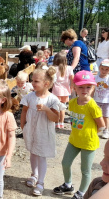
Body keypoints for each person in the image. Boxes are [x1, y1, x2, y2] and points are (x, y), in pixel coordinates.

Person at [53, 70, 105, 199]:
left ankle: (81, 193)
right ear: (74, 87)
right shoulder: (72, 103)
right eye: (81, 87)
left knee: (85, 170)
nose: (85, 90)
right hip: (74, 140)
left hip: (88, 143)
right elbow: (73, 121)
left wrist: (90, 134)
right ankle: (68, 184)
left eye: (88, 87)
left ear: (93, 88)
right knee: (65, 163)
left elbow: (102, 125)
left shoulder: (92, 106)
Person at [20, 66, 61, 196]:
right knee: (33, 152)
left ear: (46, 84)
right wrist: (23, 126)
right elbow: (24, 111)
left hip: (43, 132)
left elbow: (55, 118)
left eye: (36, 81)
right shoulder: (30, 96)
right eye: (32, 80)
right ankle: (34, 175)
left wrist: (46, 109)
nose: (32, 83)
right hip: (31, 130)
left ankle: (41, 182)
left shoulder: (52, 99)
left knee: (41, 156)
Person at [52, 51, 74, 129]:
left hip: (56, 90)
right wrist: (71, 88)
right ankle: (61, 123)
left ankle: (56, 122)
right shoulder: (69, 68)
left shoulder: (54, 68)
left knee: (56, 107)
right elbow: (72, 79)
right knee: (63, 107)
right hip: (65, 90)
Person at [93, 59, 109, 139]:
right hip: (96, 100)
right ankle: (96, 129)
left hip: (106, 101)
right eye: (102, 69)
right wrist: (91, 98)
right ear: (99, 68)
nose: (104, 71)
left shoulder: (108, 79)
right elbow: (92, 88)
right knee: (96, 115)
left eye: (106, 69)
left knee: (105, 116)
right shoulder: (95, 78)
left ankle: (106, 130)